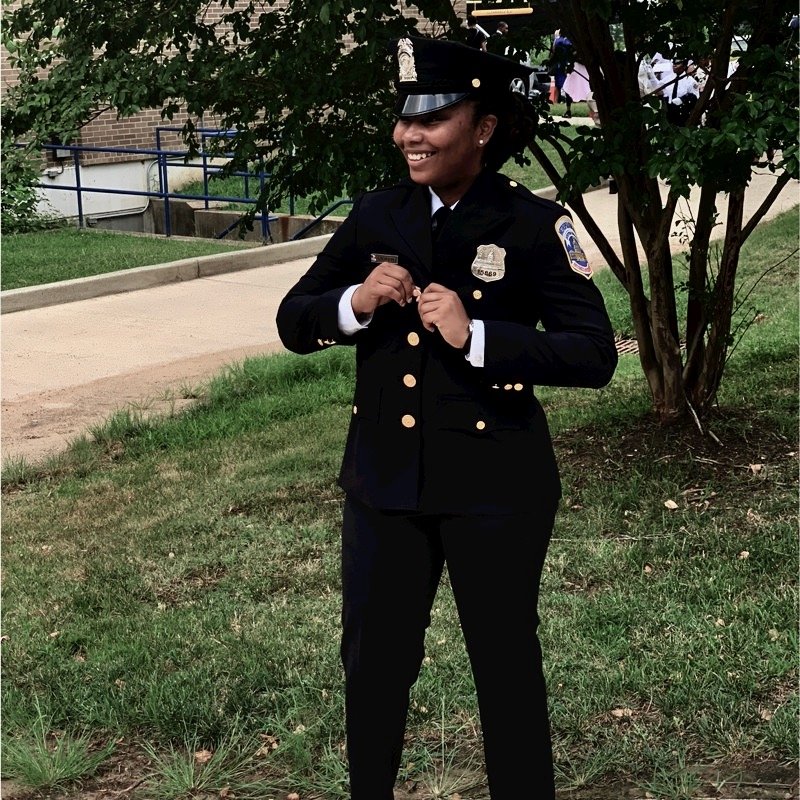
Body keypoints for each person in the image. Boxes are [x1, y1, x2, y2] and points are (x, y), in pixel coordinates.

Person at [276, 35, 618, 799]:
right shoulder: (377, 214)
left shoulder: (531, 223)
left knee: (504, 666)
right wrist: (354, 302)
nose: (410, 135)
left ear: (484, 127)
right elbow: (294, 320)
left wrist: (479, 337)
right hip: (383, 486)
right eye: (405, 119)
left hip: (496, 486)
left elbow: (594, 353)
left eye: (432, 119)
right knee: (373, 665)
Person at [550, 29, 575, 116]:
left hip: (561, 67)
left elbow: (553, 52)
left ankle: (563, 107)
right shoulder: (570, 40)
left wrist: (556, 38)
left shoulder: (558, 40)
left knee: (560, 87)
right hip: (569, 66)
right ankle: (567, 109)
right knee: (566, 88)